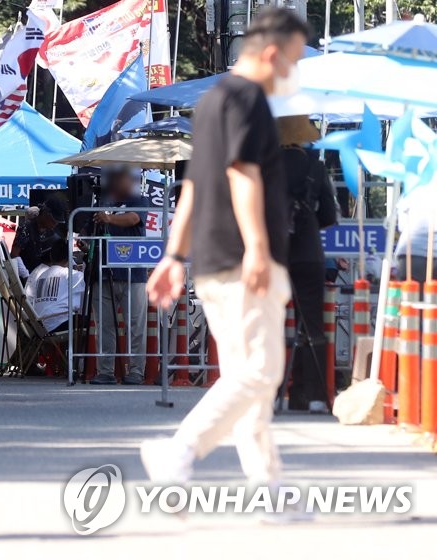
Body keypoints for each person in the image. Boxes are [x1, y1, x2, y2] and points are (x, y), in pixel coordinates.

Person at [143, 10, 308, 490]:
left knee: (247, 384)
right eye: (293, 62)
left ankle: (269, 489)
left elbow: (192, 184)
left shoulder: (213, 100)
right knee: (260, 371)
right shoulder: (248, 98)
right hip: (242, 258)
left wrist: (174, 256)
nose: (292, 75)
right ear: (273, 54)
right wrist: (258, 248)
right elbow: (242, 171)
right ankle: (179, 449)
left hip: (213, 260)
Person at [277, 116, 337, 413]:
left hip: (273, 253)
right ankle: (312, 396)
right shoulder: (316, 166)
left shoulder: (265, 166)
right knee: (312, 325)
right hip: (308, 252)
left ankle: (272, 393)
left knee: (271, 323)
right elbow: (329, 215)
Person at [90, 167, 151, 385]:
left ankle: (136, 371)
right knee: (104, 325)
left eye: (121, 177)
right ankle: (105, 371)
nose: (116, 182)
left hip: (133, 273)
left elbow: (134, 219)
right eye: (113, 177)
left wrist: (108, 219)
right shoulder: (101, 203)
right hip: (103, 271)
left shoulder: (140, 200)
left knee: (135, 325)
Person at [27, 242, 85, 334]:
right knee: (92, 319)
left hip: (41, 326)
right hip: (58, 323)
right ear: (69, 258)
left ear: (51, 256)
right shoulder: (73, 275)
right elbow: (82, 305)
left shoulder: (41, 275)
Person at [11, 197, 67, 272]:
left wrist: (73, 264)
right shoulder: (26, 228)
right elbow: (14, 254)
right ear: (45, 213)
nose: (55, 224)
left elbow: (61, 251)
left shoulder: (52, 233)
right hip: (28, 275)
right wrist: (25, 275)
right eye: (53, 220)